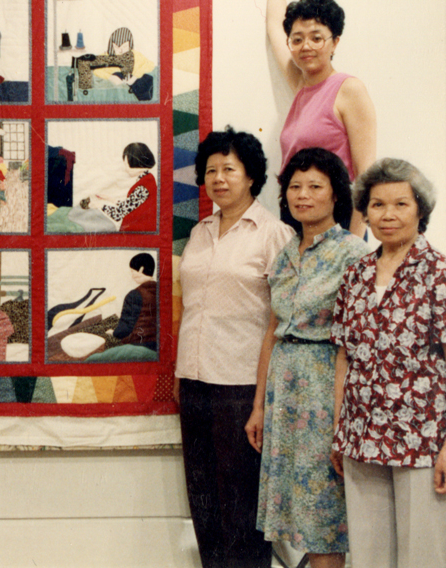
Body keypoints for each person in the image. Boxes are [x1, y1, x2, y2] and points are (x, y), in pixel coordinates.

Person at [175, 126, 294, 568]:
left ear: (251, 177)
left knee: (242, 507)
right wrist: (179, 375)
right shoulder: (201, 232)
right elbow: (192, 308)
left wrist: (262, 401)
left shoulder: (273, 235)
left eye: (229, 169)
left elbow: (282, 321)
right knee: (203, 502)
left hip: (243, 387)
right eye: (210, 171)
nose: (218, 178)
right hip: (195, 382)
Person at [245, 148, 369, 568]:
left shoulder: (354, 255)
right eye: (295, 186)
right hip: (285, 390)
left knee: (323, 515)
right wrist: (258, 405)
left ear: (336, 195)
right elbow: (272, 330)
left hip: (324, 390)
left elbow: (359, 342)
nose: (303, 195)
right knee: (295, 513)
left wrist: (344, 416)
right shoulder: (285, 254)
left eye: (315, 186)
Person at [330, 158, 446, 567]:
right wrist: (338, 428)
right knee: (368, 555)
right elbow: (344, 355)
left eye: (401, 203)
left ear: (421, 209)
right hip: (360, 435)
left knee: (423, 555)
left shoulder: (439, 274)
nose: (388, 215)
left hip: (423, 439)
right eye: (377, 205)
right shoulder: (356, 275)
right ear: (364, 212)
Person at [267, 0, 376, 236]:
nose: (306, 46)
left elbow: (366, 175)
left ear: (334, 42)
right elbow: (275, 25)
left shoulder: (348, 89)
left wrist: (352, 243)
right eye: (298, 38)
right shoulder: (299, 81)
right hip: (295, 217)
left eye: (317, 37)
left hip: (336, 222)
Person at [83, 142, 157, 232]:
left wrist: (99, 205)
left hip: (138, 231)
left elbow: (118, 214)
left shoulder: (144, 185)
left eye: (126, 164)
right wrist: (110, 199)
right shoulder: (147, 179)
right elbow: (130, 205)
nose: (125, 168)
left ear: (135, 162)